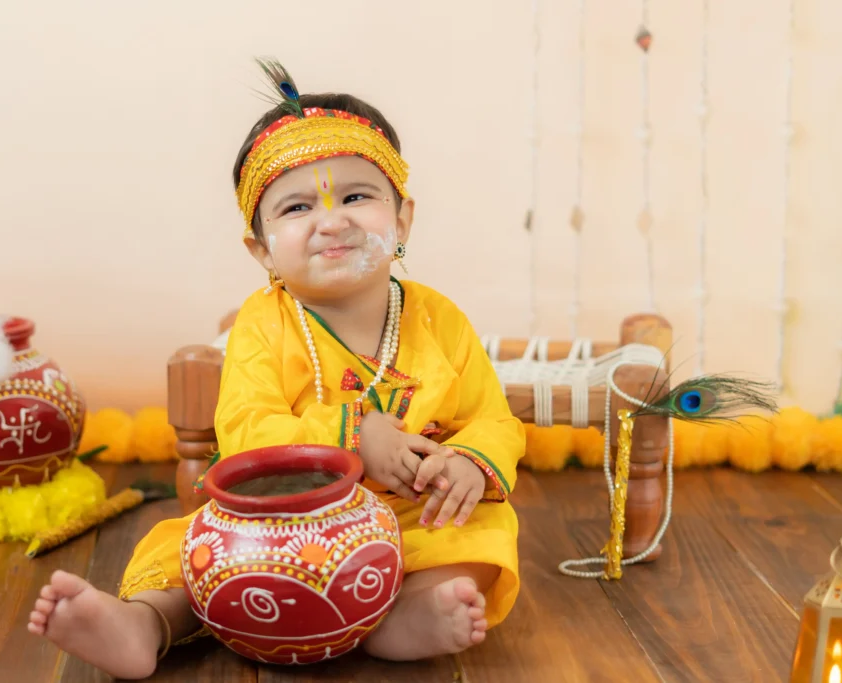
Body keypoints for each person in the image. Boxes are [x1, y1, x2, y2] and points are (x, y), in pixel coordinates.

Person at [28, 59, 526, 680]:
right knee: (191, 552)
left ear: (401, 220)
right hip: (279, 524)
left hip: (405, 512)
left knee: (478, 533)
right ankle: (144, 624)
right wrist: (351, 437)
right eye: (296, 209)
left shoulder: (439, 318)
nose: (332, 220)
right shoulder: (263, 325)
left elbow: (492, 417)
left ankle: (405, 615)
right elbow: (244, 429)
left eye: (356, 196)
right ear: (261, 249)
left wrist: (465, 464)